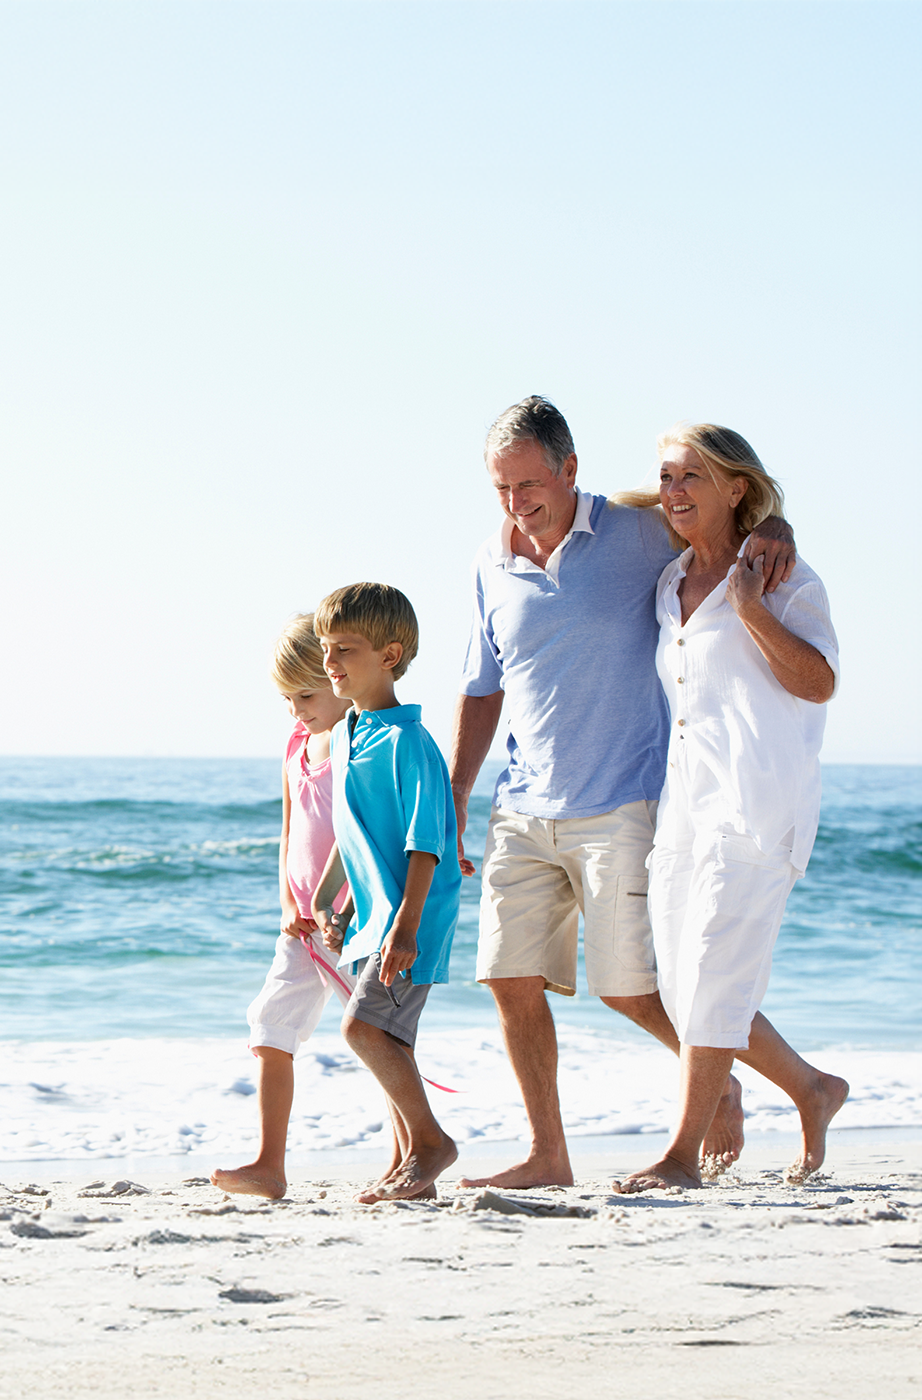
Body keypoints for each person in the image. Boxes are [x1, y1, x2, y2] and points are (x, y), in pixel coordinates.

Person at [448, 396, 798, 1190]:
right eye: (502, 489)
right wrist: (458, 794)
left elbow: (723, 522)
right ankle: (548, 1154)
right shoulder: (488, 562)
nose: (516, 504)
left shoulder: (639, 534)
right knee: (508, 979)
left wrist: (781, 529)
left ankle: (726, 1084)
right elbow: (481, 686)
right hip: (522, 805)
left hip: (624, 803)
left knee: (632, 991)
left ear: (570, 469)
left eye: (530, 484)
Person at [611, 425, 852, 1191]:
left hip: (759, 805)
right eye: (667, 477)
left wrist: (750, 604)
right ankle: (813, 1088)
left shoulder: (782, 575)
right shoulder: (667, 576)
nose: (676, 491)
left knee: (715, 981)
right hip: (685, 807)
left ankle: (681, 1155)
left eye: (694, 477)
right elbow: (613, 512)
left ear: (736, 486)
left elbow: (819, 682)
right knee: (690, 994)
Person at [316, 583, 465, 1203]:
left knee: (364, 1032)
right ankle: (411, 1163)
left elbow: (424, 843)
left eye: (345, 650)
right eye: (327, 649)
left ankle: (431, 1145)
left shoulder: (409, 741)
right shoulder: (349, 732)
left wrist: (406, 925)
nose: (330, 664)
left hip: (415, 916)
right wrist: (333, 900)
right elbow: (353, 833)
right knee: (391, 1037)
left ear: (390, 654)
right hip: (376, 918)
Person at [213, 616, 356, 1199]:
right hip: (299, 925)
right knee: (271, 1026)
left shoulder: (358, 740)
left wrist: (336, 908)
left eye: (305, 695)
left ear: (337, 680)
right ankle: (270, 1163)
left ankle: (409, 1152)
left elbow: (360, 835)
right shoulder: (297, 744)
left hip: (351, 920)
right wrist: (286, 902)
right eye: (286, 699)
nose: (297, 710)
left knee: (377, 1037)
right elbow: (290, 826)